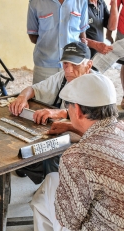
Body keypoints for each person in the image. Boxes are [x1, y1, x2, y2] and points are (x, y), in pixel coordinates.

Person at [30, 72, 124, 231]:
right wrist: (72, 126)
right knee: (52, 179)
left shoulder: (77, 156)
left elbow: (69, 220)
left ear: (78, 110)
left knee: (43, 199)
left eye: (68, 106)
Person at [9, 41, 93, 183]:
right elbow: (33, 89)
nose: (68, 70)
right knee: (23, 140)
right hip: (62, 129)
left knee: (53, 152)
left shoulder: (97, 84)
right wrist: (22, 97)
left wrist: (59, 113)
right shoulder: (62, 78)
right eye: (66, 64)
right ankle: (37, 171)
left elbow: (93, 125)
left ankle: (55, 189)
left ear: (88, 65)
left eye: (75, 64)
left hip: (84, 136)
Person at [27, 0, 89, 84]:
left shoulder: (81, 1)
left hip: (73, 66)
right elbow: (33, 36)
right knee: (42, 96)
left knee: (72, 96)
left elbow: (82, 35)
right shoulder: (35, 2)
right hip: (45, 66)